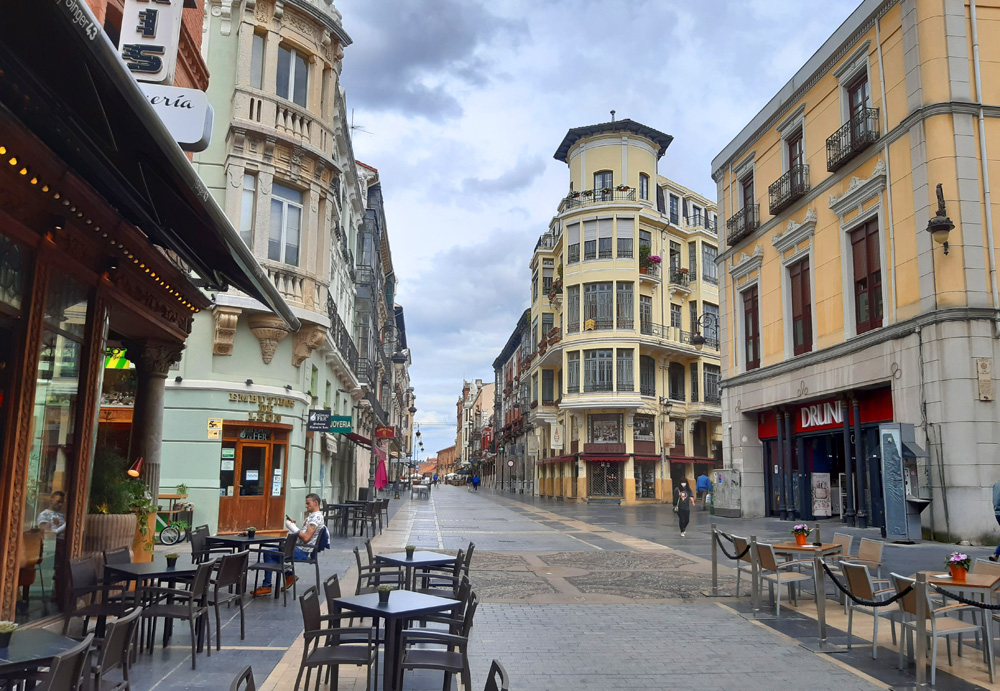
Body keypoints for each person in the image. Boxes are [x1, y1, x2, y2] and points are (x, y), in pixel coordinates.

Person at [253, 493, 324, 596]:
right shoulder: (314, 516)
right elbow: (305, 534)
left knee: (269, 553)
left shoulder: (315, 518)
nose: (306, 506)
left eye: (308, 503)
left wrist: (292, 527)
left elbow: (306, 538)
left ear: (316, 503)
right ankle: (287, 575)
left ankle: (267, 586)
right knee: (274, 554)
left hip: (302, 551)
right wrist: (295, 525)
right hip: (299, 549)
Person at [991, 480, 1000, 562]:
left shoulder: (996, 484)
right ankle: (996, 554)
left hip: (998, 513)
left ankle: (996, 554)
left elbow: (994, 500)